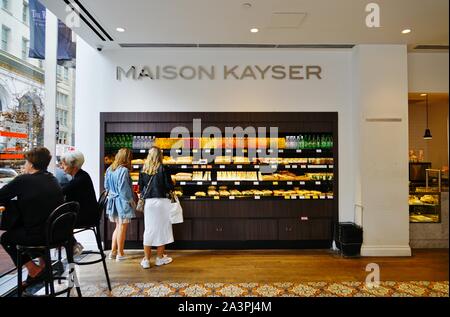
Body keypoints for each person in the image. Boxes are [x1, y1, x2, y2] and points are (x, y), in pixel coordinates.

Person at [0, 147, 64, 284]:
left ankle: (34, 271)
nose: (24, 165)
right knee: (28, 228)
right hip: (58, 234)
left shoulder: (23, 180)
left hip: (41, 236)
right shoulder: (52, 179)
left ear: (31, 164)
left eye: (25, 162)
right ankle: (44, 268)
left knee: (6, 238)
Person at [138, 146, 174, 269]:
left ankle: (147, 260)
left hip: (149, 203)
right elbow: (169, 186)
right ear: (160, 156)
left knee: (149, 229)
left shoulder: (143, 169)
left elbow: (140, 187)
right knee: (162, 229)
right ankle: (159, 258)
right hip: (162, 202)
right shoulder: (164, 168)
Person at [60, 151, 98, 256]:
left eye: (64, 164)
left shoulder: (79, 179)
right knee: (62, 221)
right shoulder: (82, 175)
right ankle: (72, 245)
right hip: (89, 214)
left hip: (86, 217)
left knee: (59, 223)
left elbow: (61, 191)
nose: (62, 166)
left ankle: (72, 247)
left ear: (74, 166)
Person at [104, 148, 135, 261]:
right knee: (122, 227)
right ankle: (120, 254)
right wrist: (131, 201)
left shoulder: (109, 169)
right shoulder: (124, 171)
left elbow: (106, 187)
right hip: (122, 202)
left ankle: (113, 252)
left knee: (117, 226)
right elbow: (125, 190)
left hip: (113, 201)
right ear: (127, 158)